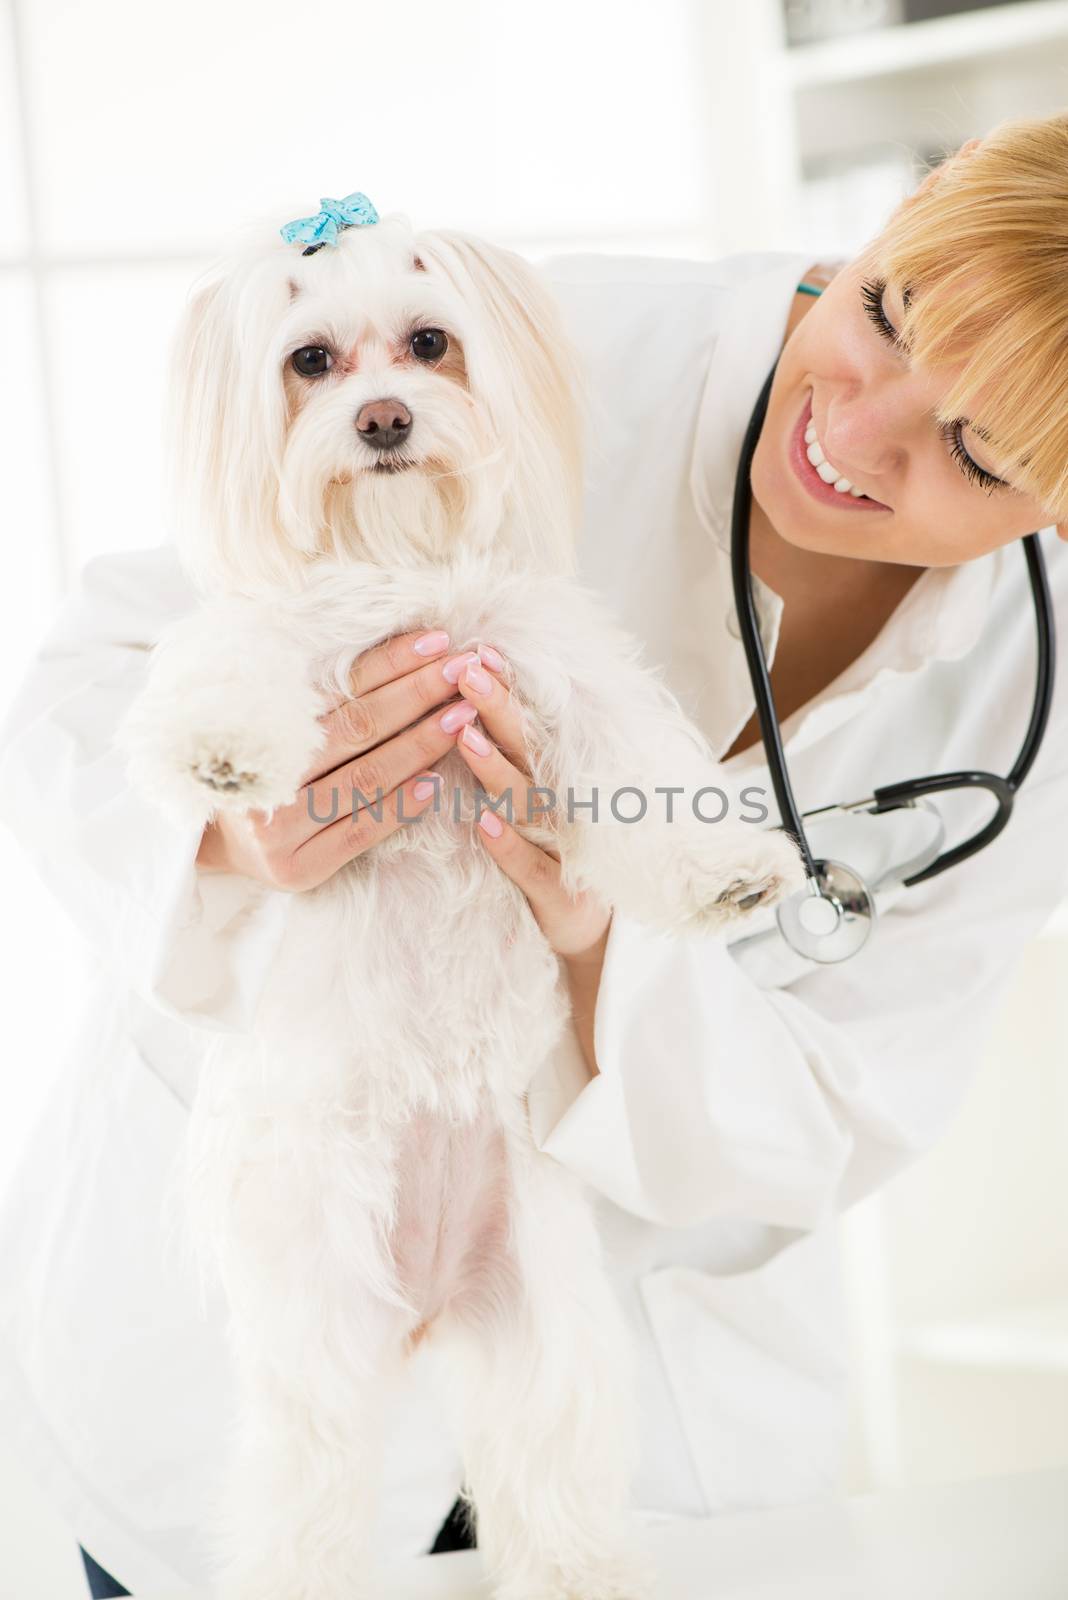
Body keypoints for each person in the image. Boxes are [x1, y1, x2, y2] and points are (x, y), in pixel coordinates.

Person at [3, 115, 1068, 1595]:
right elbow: (105, 665)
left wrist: (599, 939)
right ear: (902, 209)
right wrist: (237, 833)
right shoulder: (503, 342)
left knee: (571, 1486)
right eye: (889, 312)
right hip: (241, 1305)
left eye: (978, 448)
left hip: (655, 1382)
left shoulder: (1036, 694)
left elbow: (842, 1105)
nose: (863, 430)